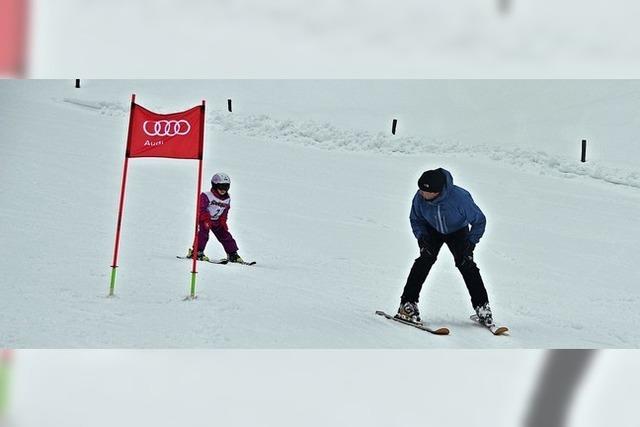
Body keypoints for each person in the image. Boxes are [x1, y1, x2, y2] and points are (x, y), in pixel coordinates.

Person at [397, 168, 495, 326]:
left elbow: (480, 221)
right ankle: (407, 304)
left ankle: (482, 307)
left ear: (437, 191)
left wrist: (470, 243)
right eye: (421, 190)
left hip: (457, 231)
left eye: (426, 192)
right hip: (431, 230)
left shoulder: (460, 198)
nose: (422, 194)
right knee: (424, 260)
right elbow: (416, 219)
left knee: (466, 263)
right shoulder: (419, 197)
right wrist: (422, 239)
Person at [186, 172, 245, 263]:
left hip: (217, 220)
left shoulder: (227, 199)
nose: (223, 190)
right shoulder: (206, 196)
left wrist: (223, 221)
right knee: (203, 234)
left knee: (225, 235)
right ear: (214, 185)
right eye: (220, 187)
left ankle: (233, 254)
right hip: (205, 219)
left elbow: (225, 211)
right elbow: (201, 208)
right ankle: (197, 252)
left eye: (226, 187)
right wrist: (206, 219)